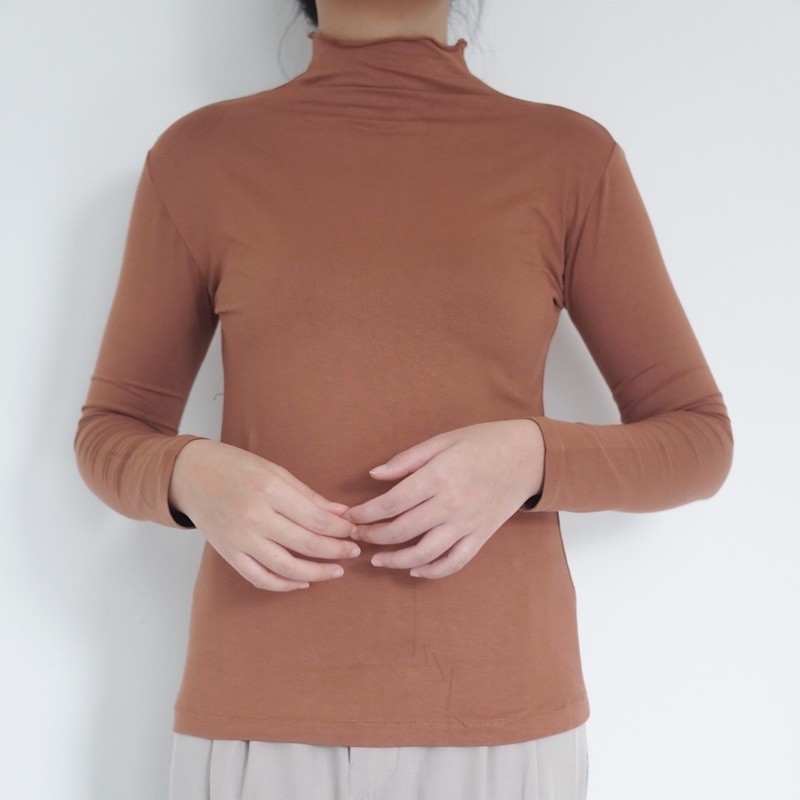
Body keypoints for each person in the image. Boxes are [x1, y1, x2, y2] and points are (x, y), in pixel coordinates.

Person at [73, 0, 734, 797]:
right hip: (261, 715)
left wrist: (531, 457)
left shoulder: (570, 160)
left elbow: (699, 440)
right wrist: (191, 476)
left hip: (503, 722)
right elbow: (110, 432)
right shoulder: (200, 158)